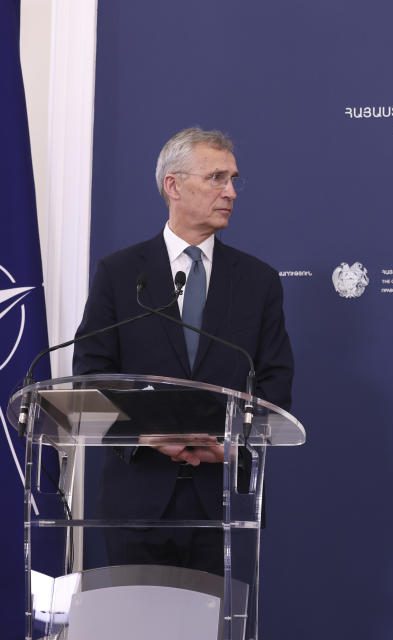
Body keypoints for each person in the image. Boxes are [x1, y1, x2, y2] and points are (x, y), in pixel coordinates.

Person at [73, 127, 294, 573]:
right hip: (138, 500)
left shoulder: (258, 281)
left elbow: (275, 383)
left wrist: (233, 447)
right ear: (173, 185)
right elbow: (91, 376)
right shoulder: (119, 274)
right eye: (216, 177)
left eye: (233, 180)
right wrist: (142, 436)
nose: (230, 192)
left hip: (225, 500)